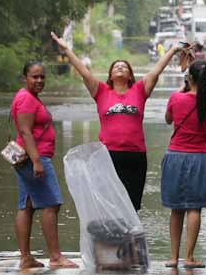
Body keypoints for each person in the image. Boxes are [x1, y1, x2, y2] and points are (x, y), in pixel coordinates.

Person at [51, 31, 186, 211]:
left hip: (135, 156)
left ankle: (130, 240)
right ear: (111, 76)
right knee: (109, 206)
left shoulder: (139, 90)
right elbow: (84, 72)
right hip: (108, 156)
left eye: (124, 66)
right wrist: (67, 50)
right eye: (116, 67)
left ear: (130, 76)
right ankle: (110, 239)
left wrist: (174, 50)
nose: (120, 67)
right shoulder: (101, 91)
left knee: (131, 207)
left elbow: (156, 70)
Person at [11, 62, 76, 271]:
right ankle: (55, 256)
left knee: (27, 205)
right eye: (34, 77)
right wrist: (37, 160)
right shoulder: (26, 99)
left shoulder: (28, 98)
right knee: (52, 203)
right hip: (33, 158)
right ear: (25, 78)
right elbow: (25, 131)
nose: (39, 80)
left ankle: (26, 258)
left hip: (28, 157)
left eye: (42, 77)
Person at [161, 59, 206, 268]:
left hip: (175, 155)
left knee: (176, 208)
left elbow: (168, 119)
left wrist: (184, 85)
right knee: (194, 208)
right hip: (201, 157)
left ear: (190, 78)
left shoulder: (176, 98)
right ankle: (189, 257)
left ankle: (173, 257)